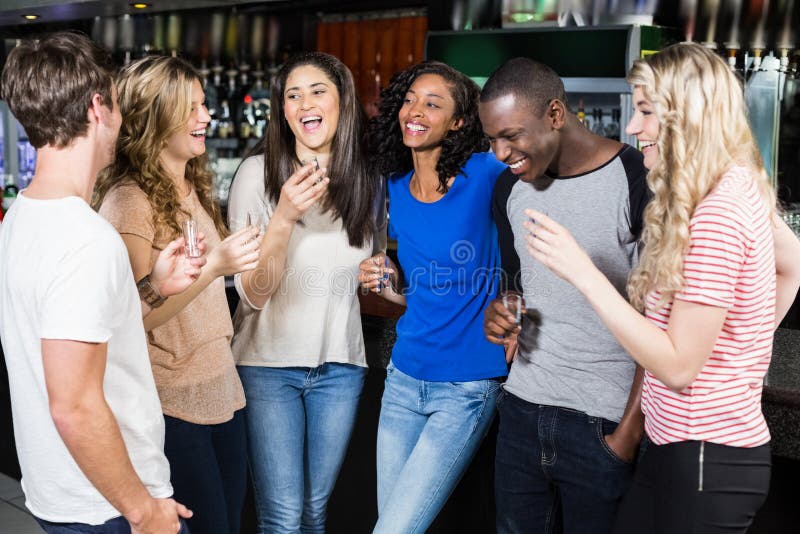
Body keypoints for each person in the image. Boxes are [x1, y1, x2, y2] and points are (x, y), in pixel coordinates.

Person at [522, 43, 800, 534]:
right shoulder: (736, 184)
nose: (632, 127)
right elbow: (791, 267)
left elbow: (676, 366)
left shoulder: (716, 212)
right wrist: (737, 350)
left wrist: (582, 272)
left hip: (704, 462)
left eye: (647, 111)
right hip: (686, 453)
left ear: (687, 114)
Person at [0, 32, 198, 533]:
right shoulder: (87, 238)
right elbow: (74, 404)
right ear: (96, 107)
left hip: (60, 493)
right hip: (107, 505)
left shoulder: (21, 218)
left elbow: (76, 334)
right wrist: (143, 510)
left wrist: (153, 287)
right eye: (114, 102)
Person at [479, 57, 649, 534]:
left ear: (555, 114)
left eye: (510, 135)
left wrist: (628, 436)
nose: (499, 152)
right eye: (491, 138)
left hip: (602, 424)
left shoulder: (637, 180)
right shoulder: (508, 188)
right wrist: (503, 311)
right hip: (520, 412)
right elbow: (516, 283)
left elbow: (661, 317)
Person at [93, 55, 261, 534]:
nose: (205, 117)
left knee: (225, 525)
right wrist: (213, 270)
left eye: (204, 104)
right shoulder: (128, 200)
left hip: (221, 390)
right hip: (170, 403)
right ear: (154, 118)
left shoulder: (191, 185)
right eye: (190, 108)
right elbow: (134, 316)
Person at [227, 51, 384, 533]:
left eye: (318, 91)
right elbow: (252, 294)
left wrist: (382, 276)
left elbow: (369, 274)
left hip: (341, 366)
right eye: (292, 95)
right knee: (282, 517)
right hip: (267, 368)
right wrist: (285, 216)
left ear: (342, 103)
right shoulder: (257, 175)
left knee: (315, 512)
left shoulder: (367, 178)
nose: (305, 103)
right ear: (282, 111)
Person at [359, 60, 508, 533]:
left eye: (432, 103)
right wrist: (389, 289)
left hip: (466, 385)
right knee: (394, 523)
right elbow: (424, 295)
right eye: (408, 100)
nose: (414, 111)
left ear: (459, 121)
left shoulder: (486, 174)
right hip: (403, 378)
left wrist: (521, 309)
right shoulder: (396, 190)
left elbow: (534, 242)